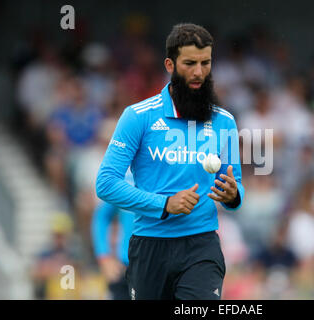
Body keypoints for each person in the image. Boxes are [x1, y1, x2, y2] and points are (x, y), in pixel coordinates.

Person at [96, 23, 245, 300]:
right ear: (170, 64)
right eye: (190, 63)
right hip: (150, 246)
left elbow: (235, 189)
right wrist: (164, 204)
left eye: (205, 63)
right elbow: (105, 184)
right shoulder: (138, 116)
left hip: (202, 245)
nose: (199, 72)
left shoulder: (224, 121)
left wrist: (233, 195)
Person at [91, 169, 134, 300]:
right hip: (125, 268)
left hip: (160, 267)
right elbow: (101, 217)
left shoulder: (170, 176)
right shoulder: (126, 181)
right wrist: (104, 256)